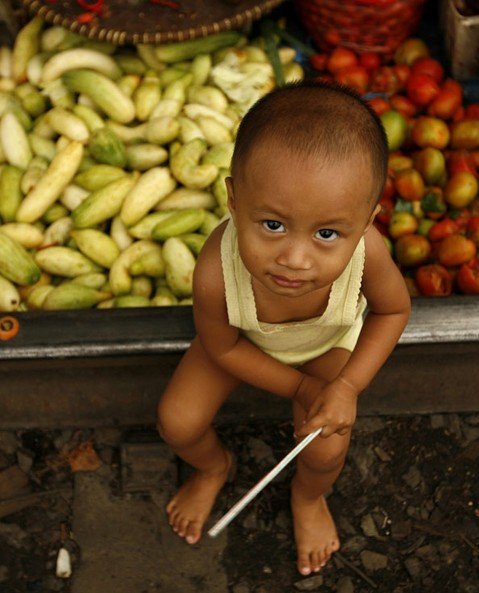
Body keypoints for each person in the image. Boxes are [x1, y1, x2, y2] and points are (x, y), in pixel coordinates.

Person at [157, 80, 411, 576]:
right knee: (177, 422)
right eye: (272, 225)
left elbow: (392, 312)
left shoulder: (369, 254)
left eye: (326, 234)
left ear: (365, 223)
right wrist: (302, 386)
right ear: (233, 199)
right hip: (240, 343)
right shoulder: (216, 270)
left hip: (326, 346)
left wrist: (346, 385)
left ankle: (309, 498)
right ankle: (213, 466)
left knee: (328, 446)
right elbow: (222, 347)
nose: (295, 259)